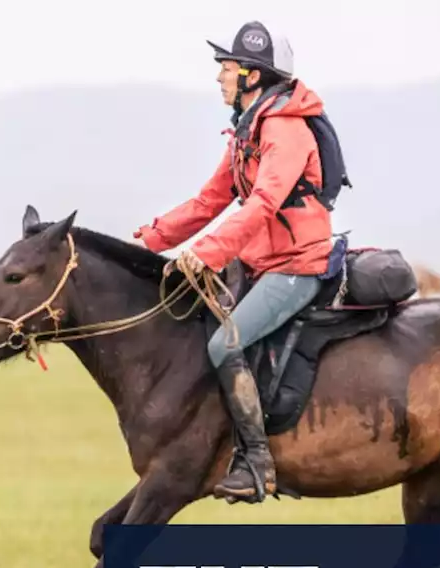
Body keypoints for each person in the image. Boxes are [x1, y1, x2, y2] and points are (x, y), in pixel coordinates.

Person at [134, 21, 337, 503]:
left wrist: (205, 254)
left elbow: (263, 204)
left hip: (295, 265)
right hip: (260, 262)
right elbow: (210, 201)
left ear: (253, 76)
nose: (220, 76)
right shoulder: (247, 130)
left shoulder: (285, 130)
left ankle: (257, 463)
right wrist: (151, 240)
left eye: (227, 67)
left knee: (226, 346)